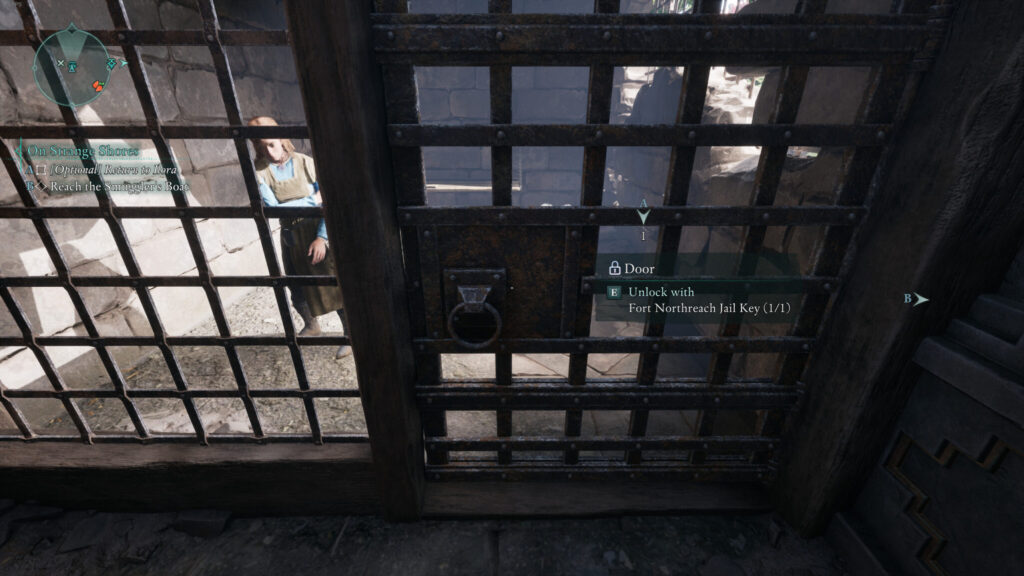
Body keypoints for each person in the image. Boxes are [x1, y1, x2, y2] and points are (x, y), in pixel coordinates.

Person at [249, 116, 351, 359]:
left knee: (332, 285)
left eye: (272, 144)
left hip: (316, 230)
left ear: (282, 139)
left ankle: (350, 335)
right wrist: (311, 200)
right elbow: (274, 209)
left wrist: (322, 238)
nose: (270, 152)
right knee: (296, 286)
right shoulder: (260, 171)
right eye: (263, 147)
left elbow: (328, 202)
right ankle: (312, 325)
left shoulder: (305, 163)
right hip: (291, 234)